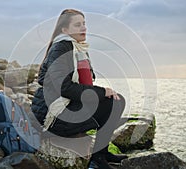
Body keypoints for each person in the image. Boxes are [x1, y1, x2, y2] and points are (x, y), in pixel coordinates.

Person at [31, 9, 127, 169]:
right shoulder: (61, 48)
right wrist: (102, 92)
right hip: (53, 116)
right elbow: (64, 87)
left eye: (84, 24)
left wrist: (101, 93)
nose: (83, 28)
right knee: (113, 103)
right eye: (77, 25)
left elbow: (84, 84)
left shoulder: (77, 49)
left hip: (64, 106)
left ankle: (101, 153)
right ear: (65, 30)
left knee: (114, 100)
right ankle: (98, 158)